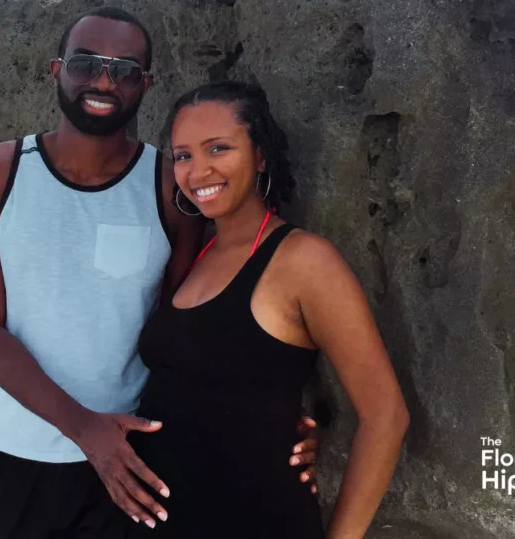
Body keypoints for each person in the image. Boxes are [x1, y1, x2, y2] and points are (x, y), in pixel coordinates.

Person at [0, 7, 320, 538]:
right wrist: (85, 431)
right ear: (56, 69)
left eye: (124, 70)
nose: (103, 80)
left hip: (136, 467)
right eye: (86, 63)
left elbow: (192, 329)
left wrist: (277, 413)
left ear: (145, 84)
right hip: (13, 456)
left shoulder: (170, 186)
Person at [125, 81, 410, 538]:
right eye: (183, 156)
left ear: (260, 156)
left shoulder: (303, 260)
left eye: (219, 148)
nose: (199, 171)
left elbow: (387, 416)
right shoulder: (196, 255)